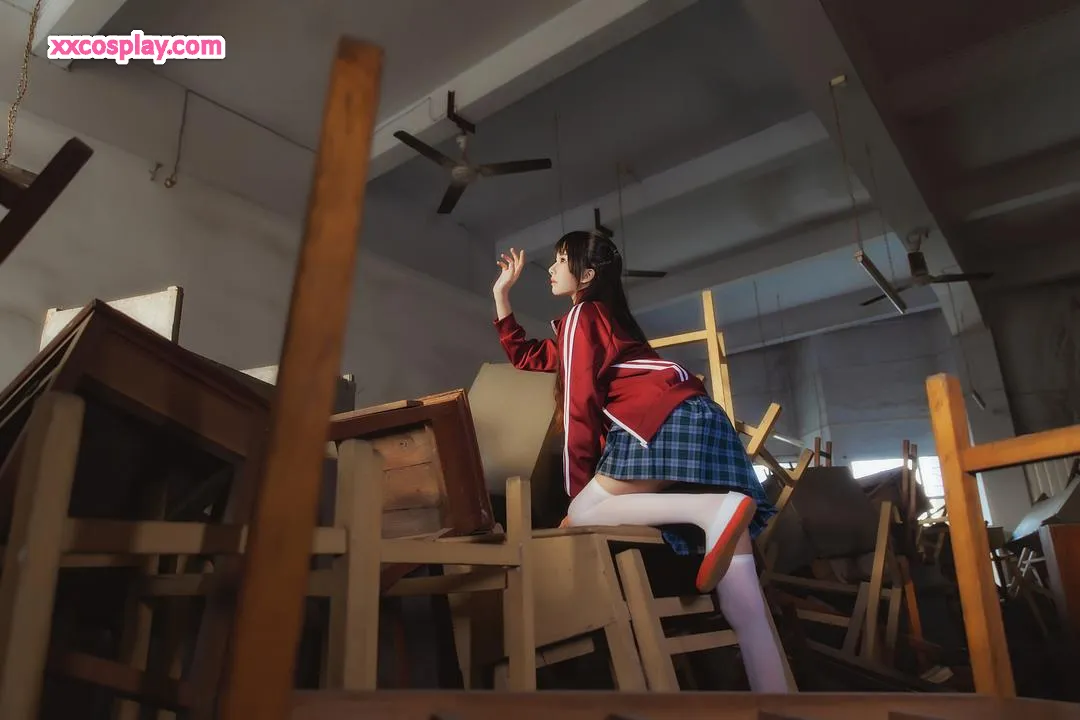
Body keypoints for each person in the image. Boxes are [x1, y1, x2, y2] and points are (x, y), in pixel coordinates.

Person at [491, 231, 793, 692]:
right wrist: (502, 295)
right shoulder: (604, 321)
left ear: (586, 276)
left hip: (664, 420)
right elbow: (530, 356)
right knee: (742, 596)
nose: (549, 269)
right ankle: (778, 695)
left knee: (585, 511)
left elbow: (579, 409)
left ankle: (715, 508)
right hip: (699, 417)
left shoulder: (582, 316)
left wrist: (576, 493)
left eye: (560, 260)